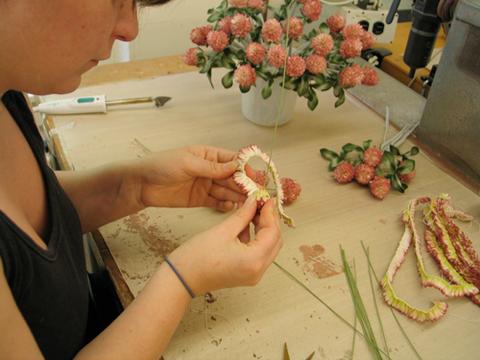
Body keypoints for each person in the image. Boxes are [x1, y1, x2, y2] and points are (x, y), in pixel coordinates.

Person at [0, 0, 282, 358]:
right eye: (119, 1)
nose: (130, 30)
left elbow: (25, 223)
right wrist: (182, 281)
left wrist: (135, 186)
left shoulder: (8, 91)